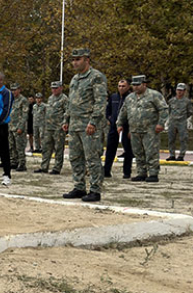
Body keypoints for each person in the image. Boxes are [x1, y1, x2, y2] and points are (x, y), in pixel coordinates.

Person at [62, 48, 108, 202]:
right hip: (75, 125)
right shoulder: (75, 79)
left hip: (89, 125)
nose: (74, 62)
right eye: (73, 60)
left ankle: (95, 190)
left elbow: (100, 102)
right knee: (75, 158)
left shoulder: (96, 77)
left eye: (78, 59)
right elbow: (71, 102)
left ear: (87, 60)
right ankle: (79, 187)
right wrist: (66, 120)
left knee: (92, 158)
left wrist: (94, 122)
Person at [118, 75, 168, 183]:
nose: (135, 87)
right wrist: (119, 124)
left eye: (138, 85)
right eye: (134, 85)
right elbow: (123, 112)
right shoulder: (130, 98)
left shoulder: (154, 95)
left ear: (144, 84)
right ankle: (141, 172)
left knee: (151, 152)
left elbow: (163, 109)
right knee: (138, 152)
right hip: (135, 130)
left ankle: (153, 173)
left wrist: (161, 123)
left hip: (150, 129)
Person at [35, 81, 68, 175]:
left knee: (58, 148)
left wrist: (65, 122)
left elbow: (67, 112)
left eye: (56, 88)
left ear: (61, 88)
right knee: (46, 147)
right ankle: (44, 166)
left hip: (58, 128)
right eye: (52, 88)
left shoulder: (64, 99)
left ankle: (57, 168)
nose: (53, 90)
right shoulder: (50, 98)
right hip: (48, 127)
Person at [103, 78, 133, 179]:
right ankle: (106, 170)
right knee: (110, 148)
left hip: (126, 127)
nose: (121, 88)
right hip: (113, 127)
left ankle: (127, 172)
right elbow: (108, 109)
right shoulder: (114, 96)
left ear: (128, 87)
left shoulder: (131, 98)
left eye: (123, 86)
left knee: (128, 150)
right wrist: (109, 118)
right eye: (119, 86)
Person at [166, 83, 192, 161]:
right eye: (178, 90)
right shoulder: (171, 101)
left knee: (183, 139)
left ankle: (181, 155)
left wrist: (183, 118)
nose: (179, 92)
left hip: (182, 122)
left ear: (184, 91)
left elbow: (190, 112)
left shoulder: (187, 101)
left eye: (181, 90)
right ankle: (172, 155)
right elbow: (169, 111)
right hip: (172, 122)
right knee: (171, 139)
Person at [8, 84, 29, 172]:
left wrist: (21, 127)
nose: (13, 92)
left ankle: (22, 163)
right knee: (12, 146)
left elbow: (25, 115)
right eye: (12, 90)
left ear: (19, 90)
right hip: (11, 126)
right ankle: (14, 162)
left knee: (19, 146)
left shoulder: (23, 100)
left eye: (15, 90)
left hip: (19, 127)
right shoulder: (11, 100)